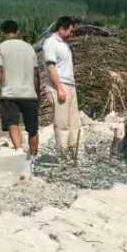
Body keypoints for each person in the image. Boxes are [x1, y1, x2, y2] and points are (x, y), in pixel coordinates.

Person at [0, 21, 40, 158]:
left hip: (9, 94)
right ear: (17, 32)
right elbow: (36, 73)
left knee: (12, 123)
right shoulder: (30, 48)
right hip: (29, 94)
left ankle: (19, 150)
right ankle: (33, 156)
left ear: (3, 32)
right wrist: (37, 92)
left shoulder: (0, 47)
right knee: (32, 128)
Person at [42, 15, 81, 158]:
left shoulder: (65, 44)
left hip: (70, 85)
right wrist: (59, 88)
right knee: (62, 123)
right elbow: (51, 67)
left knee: (74, 122)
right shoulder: (50, 43)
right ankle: (62, 155)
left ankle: (74, 151)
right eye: (70, 30)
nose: (72, 33)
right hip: (59, 85)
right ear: (62, 28)